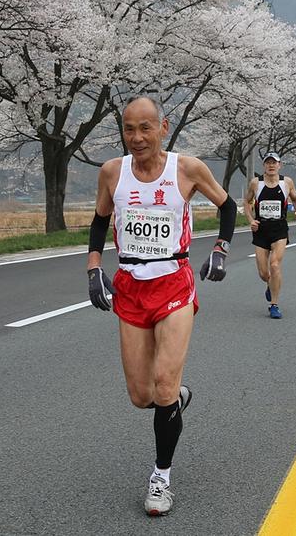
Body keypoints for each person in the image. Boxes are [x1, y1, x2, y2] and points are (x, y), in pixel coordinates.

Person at [86, 96, 237, 517]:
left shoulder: (186, 169)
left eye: (145, 128)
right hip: (130, 287)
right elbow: (100, 220)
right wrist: (94, 267)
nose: (137, 138)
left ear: (163, 126)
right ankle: (174, 402)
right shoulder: (112, 172)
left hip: (174, 284)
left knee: (165, 386)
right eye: (129, 129)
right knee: (141, 395)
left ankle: (161, 478)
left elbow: (227, 206)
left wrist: (221, 249)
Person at [244, 152, 296, 319]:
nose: (271, 165)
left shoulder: (287, 182)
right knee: (263, 273)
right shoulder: (256, 183)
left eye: (274, 163)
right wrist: (250, 220)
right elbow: (246, 202)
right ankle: (270, 284)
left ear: (279, 165)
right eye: (268, 163)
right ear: (264, 166)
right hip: (261, 230)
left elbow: (294, 199)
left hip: (279, 229)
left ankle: (274, 305)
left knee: (275, 265)